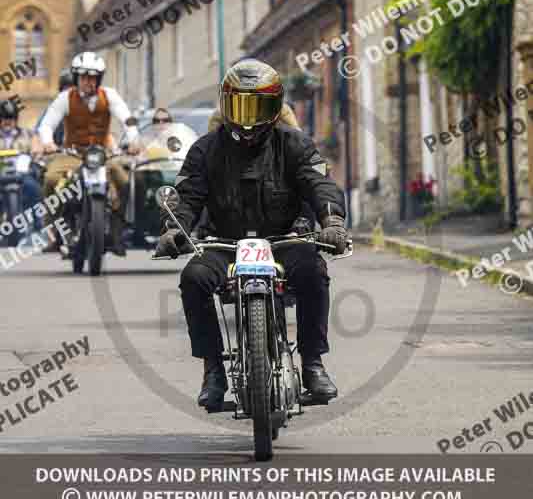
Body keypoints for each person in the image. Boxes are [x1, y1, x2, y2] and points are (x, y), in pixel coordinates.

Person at [155, 59, 348, 411]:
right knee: (194, 277)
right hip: (224, 244)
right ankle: (213, 369)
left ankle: (313, 364)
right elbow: (187, 196)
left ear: (274, 109)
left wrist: (332, 222)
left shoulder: (296, 145)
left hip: (285, 240)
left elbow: (321, 184)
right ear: (225, 105)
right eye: (239, 105)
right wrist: (174, 231)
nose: (246, 119)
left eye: (256, 107)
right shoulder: (204, 150)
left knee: (314, 271)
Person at [38, 52, 139, 256]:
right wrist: (47, 142)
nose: (88, 82)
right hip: (72, 153)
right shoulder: (65, 98)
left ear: (98, 79)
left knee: (125, 181)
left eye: (92, 77)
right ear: (76, 78)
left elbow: (127, 119)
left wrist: (133, 138)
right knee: (50, 179)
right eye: (84, 77)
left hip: (103, 153)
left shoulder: (110, 95)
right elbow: (47, 124)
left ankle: (117, 234)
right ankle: (58, 231)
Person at [0, 98, 42, 226]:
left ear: (16, 119)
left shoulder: (28, 134)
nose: (8, 122)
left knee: (34, 188)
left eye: (11, 118)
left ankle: (38, 224)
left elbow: (37, 146)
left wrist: (36, 150)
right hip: (1, 174)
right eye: (4, 118)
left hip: (22, 174)